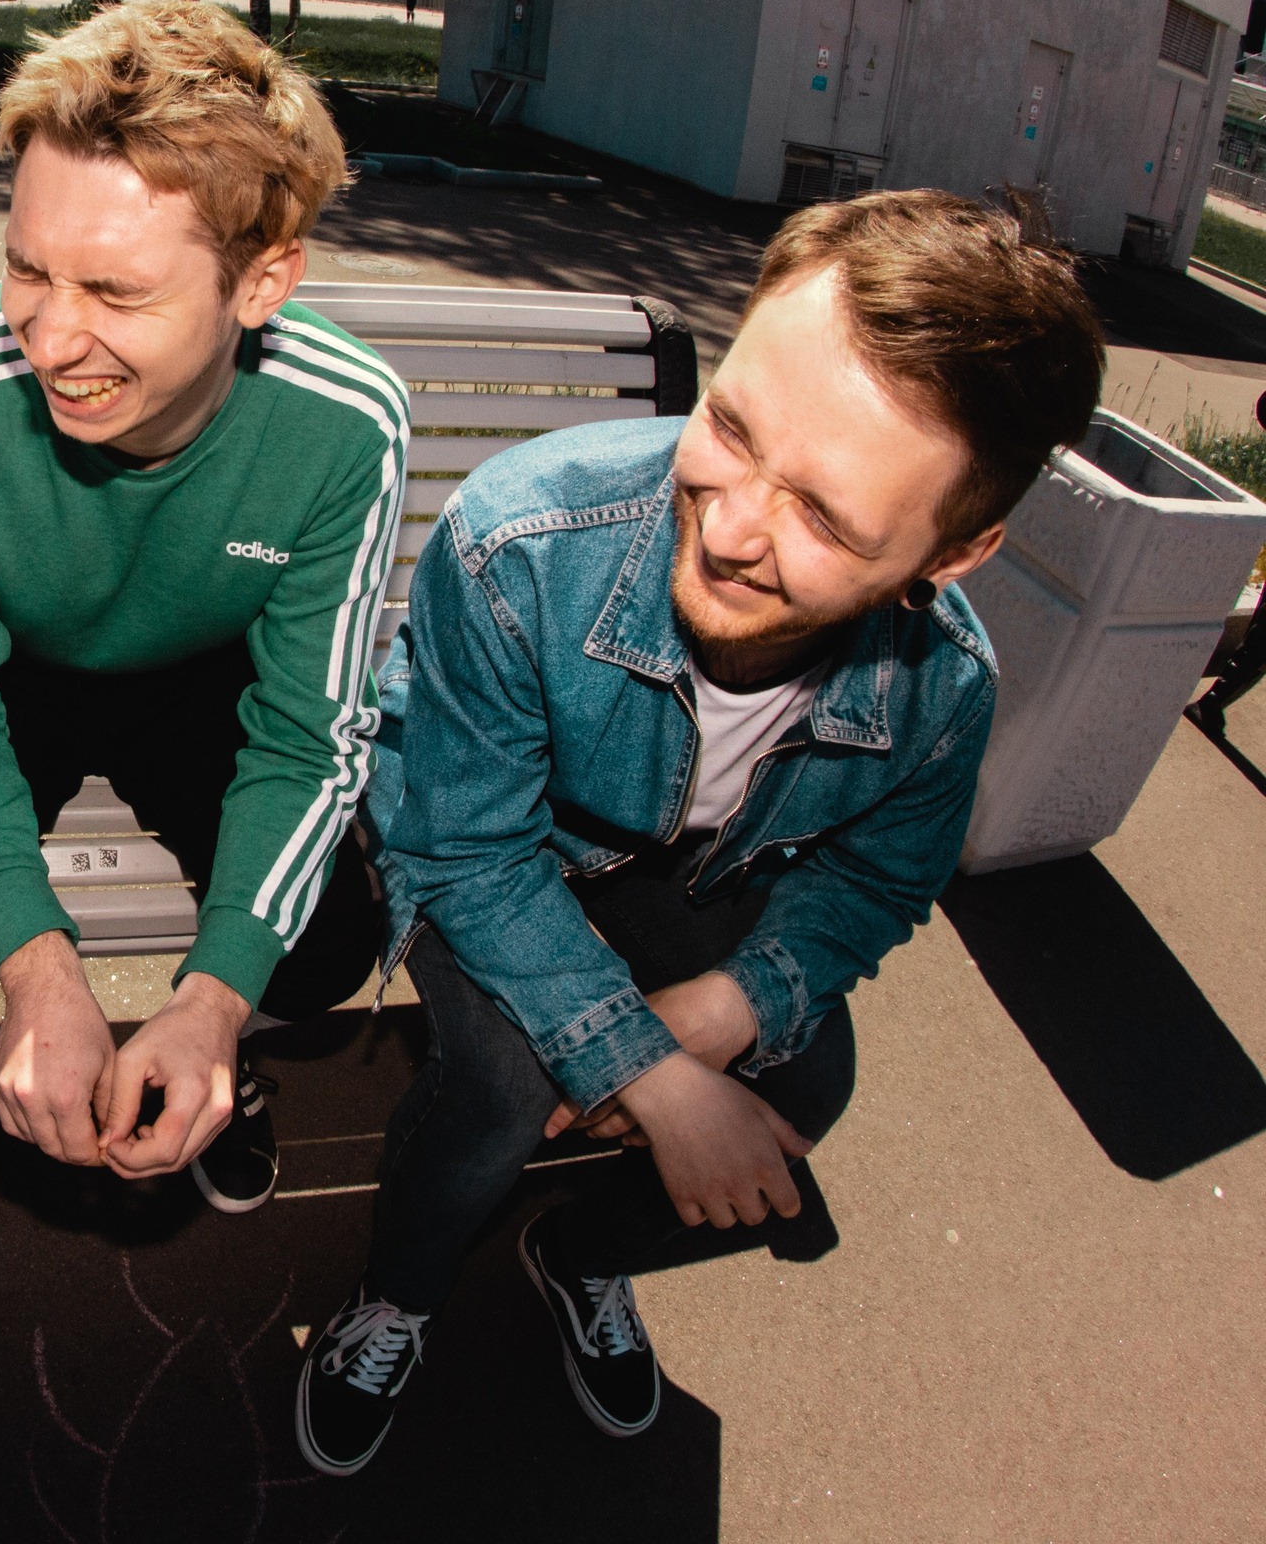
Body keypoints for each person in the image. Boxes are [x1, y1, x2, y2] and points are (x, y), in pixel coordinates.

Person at [295, 190, 1107, 1474]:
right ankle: (399, 1292)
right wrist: (655, 1078)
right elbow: (460, 847)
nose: (727, 531)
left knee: (807, 1085)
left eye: (827, 520)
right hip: (502, 853)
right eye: (728, 425)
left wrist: (726, 1013)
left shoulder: (943, 683)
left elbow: (877, 882)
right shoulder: (521, 539)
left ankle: (583, 1253)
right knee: (501, 1090)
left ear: (953, 554)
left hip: (690, 880)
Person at [0, 0, 408, 1251]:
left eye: (116, 290)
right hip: (11, 675)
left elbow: (309, 733)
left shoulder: (344, 421)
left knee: (318, 947)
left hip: (205, 671)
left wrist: (210, 1002)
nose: (50, 340)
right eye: (27, 268)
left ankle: (210, 1058)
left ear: (261, 281)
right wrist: (37, 972)